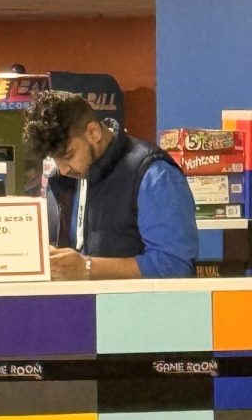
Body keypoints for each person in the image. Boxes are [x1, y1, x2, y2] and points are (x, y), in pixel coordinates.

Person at [23, 90, 198, 280]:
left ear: (93, 132)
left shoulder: (154, 175)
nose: (64, 169)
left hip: (139, 307)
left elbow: (175, 265)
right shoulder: (60, 179)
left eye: (68, 156)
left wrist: (87, 268)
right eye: (56, 160)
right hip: (74, 307)